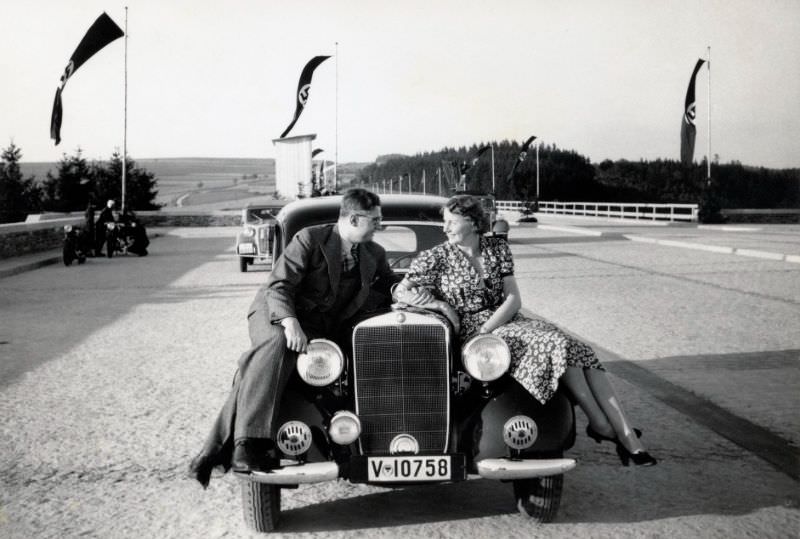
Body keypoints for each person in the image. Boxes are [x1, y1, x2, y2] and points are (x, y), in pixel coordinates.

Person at [393, 194, 657, 467]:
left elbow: (513, 299)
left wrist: (488, 327)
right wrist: (440, 305)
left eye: (451, 222)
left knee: (579, 350)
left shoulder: (496, 248)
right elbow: (401, 290)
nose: (445, 228)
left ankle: (621, 432)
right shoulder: (436, 257)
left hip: (505, 322)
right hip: (475, 337)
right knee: (556, 343)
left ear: (472, 223)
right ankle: (605, 426)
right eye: (444, 222)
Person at [189, 188, 397, 487]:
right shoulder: (311, 239)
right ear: (353, 218)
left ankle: (215, 449)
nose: (380, 225)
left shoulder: (373, 253)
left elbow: (388, 283)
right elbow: (279, 285)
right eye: (375, 219)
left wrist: (405, 289)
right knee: (277, 344)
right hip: (277, 311)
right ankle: (249, 443)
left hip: (320, 326)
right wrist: (289, 324)